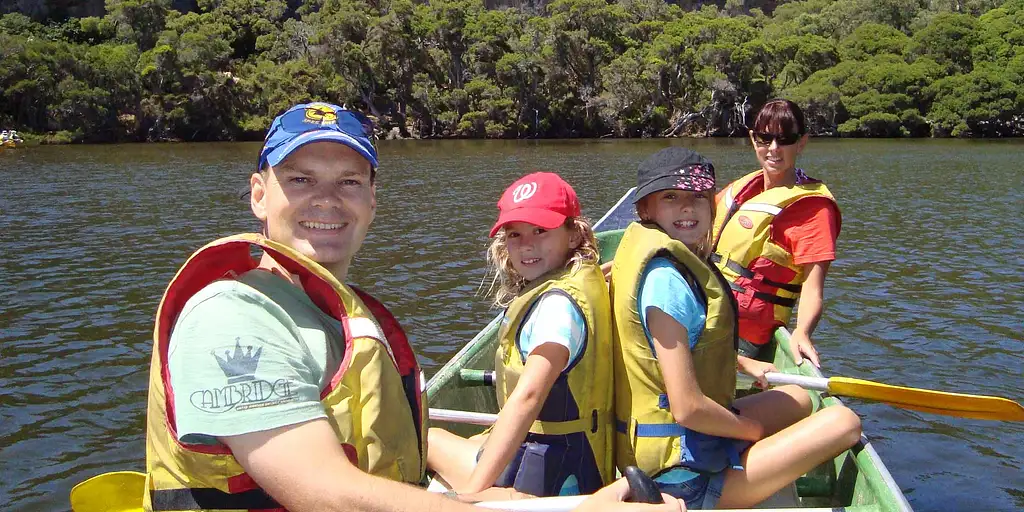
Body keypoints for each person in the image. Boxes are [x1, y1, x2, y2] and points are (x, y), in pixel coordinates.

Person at [143, 101, 680, 512]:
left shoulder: (336, 310)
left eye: (349, 181)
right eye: (301, 179)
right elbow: (325, 493)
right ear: (259, 194)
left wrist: (577, 504)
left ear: (372, 201)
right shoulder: (234, 315)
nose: (327, 199)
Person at [610, 147, 861, 509]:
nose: (687, 207)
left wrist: (745, 364)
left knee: (799, 398)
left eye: (698, 197)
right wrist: (752, 433)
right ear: (646, 208)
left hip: (678, 440)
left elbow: (682, 351)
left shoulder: (652, 255)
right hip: (682, 477)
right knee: (844, 421)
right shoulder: (668, 283)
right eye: (671, 197)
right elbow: (687, 409)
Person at [427, 172, 615, 498]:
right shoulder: (584, 277)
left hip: (546, 477)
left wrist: (471, 493)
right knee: (454, 441)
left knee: (426, 440)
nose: (526, 245)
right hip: (580, 456)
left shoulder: (556, 308)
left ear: (573, 235)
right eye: (514, 234)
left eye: (540, 231)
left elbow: (528, 398)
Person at [711, 99, 840, 369]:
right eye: (764, 138)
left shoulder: (813, 209)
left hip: (741, 338)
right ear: (752, 139)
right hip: (704, 309)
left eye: (784, 139)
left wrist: (802, 331)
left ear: (801, 143)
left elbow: (813, 288)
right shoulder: (745, 186)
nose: (773, 148)